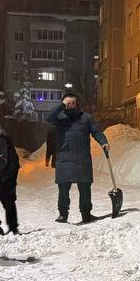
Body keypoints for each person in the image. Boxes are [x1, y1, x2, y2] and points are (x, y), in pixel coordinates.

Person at [46, 92, 109, 223]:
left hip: (82, 158)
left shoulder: (86, 118)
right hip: (64, 158)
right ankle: (63, 214)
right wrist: (61, 105)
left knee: (85, 187)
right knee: (63, 188)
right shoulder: (59, 118)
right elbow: (48, 117)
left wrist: (103, 142)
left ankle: (86, 214)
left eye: (73, 103)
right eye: (68, 103)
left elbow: (97, 131)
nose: (71, 105)